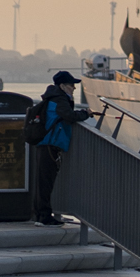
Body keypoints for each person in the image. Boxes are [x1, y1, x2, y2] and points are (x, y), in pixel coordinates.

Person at [32, 70, 91, 224]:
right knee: (46, 183)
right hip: (50, 145)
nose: (74, 88)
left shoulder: (53, 98)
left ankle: (40, 215)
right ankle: (44, 217)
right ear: (63, 86)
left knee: (43, 182)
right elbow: (70, 116)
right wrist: (86, 113)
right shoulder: (59, 99)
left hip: (46, 144)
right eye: (71, 85)